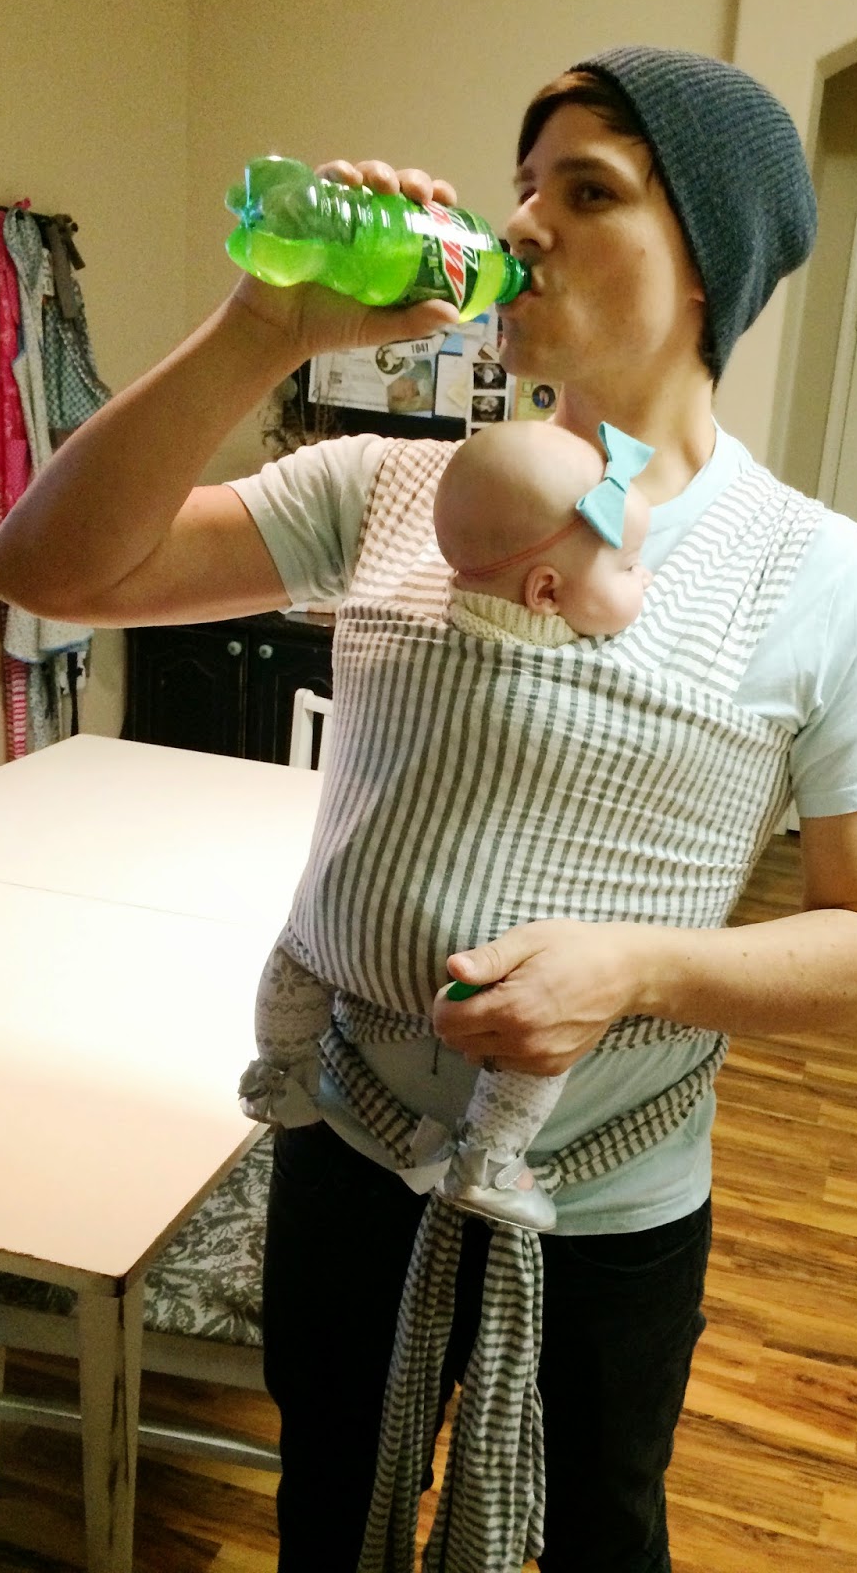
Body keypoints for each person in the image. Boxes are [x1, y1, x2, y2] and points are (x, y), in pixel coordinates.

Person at [0, 44, 857, 1573]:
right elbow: (43, 570)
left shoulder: (830, 583)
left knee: (597, 1534)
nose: (525, 223)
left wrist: (633, 969)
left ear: (713, 259)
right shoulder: (391, 493)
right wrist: (261, 327)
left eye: (590, 191)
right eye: (523, 184)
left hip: (606, 1209)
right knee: (329, 1510)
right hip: (346, 1153)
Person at [242, 416, 654, 1235]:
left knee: (295, 956)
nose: (648, 581)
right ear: (546, 593)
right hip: (478, 956)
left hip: (347, 917)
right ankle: (489, 1159)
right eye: (631, 565)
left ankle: (280, 1073)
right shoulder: (604, 680)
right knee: (533, 1047)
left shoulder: (403, 634)